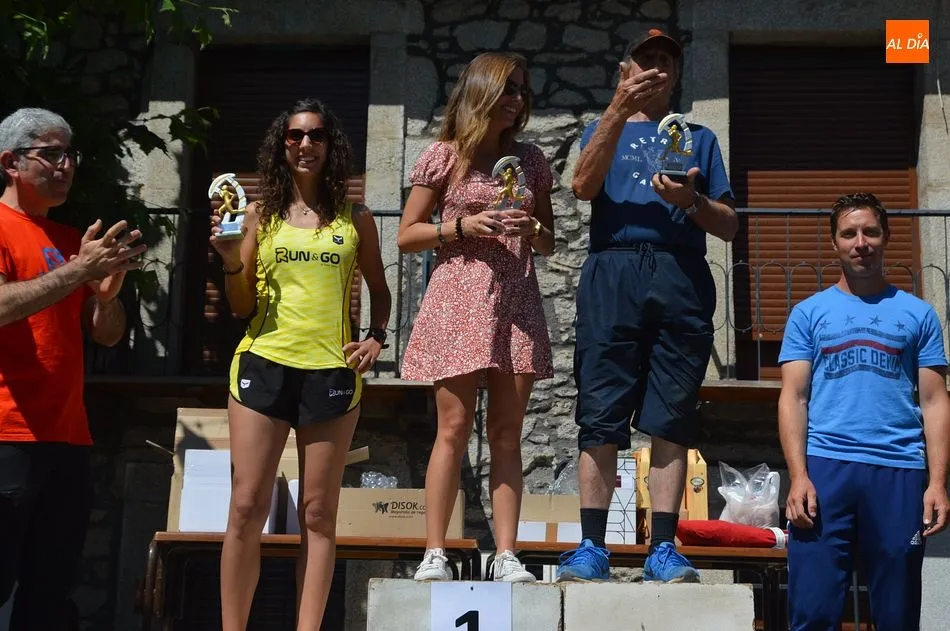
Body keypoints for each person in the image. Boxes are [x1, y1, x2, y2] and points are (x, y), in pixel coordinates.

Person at [556, 29, 737, 583]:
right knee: (600, 410)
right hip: (613, 270)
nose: (657, 68)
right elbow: (582, 186)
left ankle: (662, 547)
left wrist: (692, 200)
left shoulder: (700, 137)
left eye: (666, 62)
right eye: (646, 60)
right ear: (625, 71)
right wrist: (618, 109)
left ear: (677, 75)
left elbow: (729, 226)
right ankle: (592, 547)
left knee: (671, 415)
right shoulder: (601, 129)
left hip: (679, 272)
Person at [212, 98, 391, 630]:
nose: (305, 144)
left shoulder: (356, 218)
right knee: (246, 506)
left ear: (331, 145)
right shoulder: (258, 215)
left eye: (316, 135)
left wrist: (376, 338)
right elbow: (241, 306)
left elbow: (379, 290)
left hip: (331, 372)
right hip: (263, 364)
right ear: (282, 145)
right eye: (295, 136)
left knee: (317, 512)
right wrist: (231, 264)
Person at [397, 52, 556, 583]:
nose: (517, 98)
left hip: (516, 299)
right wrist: (463, 226)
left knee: (508, 433)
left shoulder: (531, 160)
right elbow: (407, 234)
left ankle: (507, 554)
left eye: (522, 90)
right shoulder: (444, 156)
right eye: (508, 88)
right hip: (458, 297)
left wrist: (534, 229)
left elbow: (550, 242)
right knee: (453, 428)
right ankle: (434, 552)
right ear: (482, 90)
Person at [0, 107, 146, 629]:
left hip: (67, 438)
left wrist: (105, 296)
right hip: (7, 434)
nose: (65, 165)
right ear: (11, 163)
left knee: (50, 593)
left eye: (70, 154)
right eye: (51, 154)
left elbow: (106, 333)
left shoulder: (67, 241)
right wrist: (80, 271)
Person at [778, 192, 949, 630]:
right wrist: (798, 476)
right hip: (825, 469)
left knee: (897, 613)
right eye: (849, 233)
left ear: (886, 237)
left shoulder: (919, 315)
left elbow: (934, 401)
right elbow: (794, 398)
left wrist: (937, 483)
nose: (861, 243)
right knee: (812, 609)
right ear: (834, 242)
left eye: (870, 232)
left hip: (898, 471)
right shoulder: (808, 314)